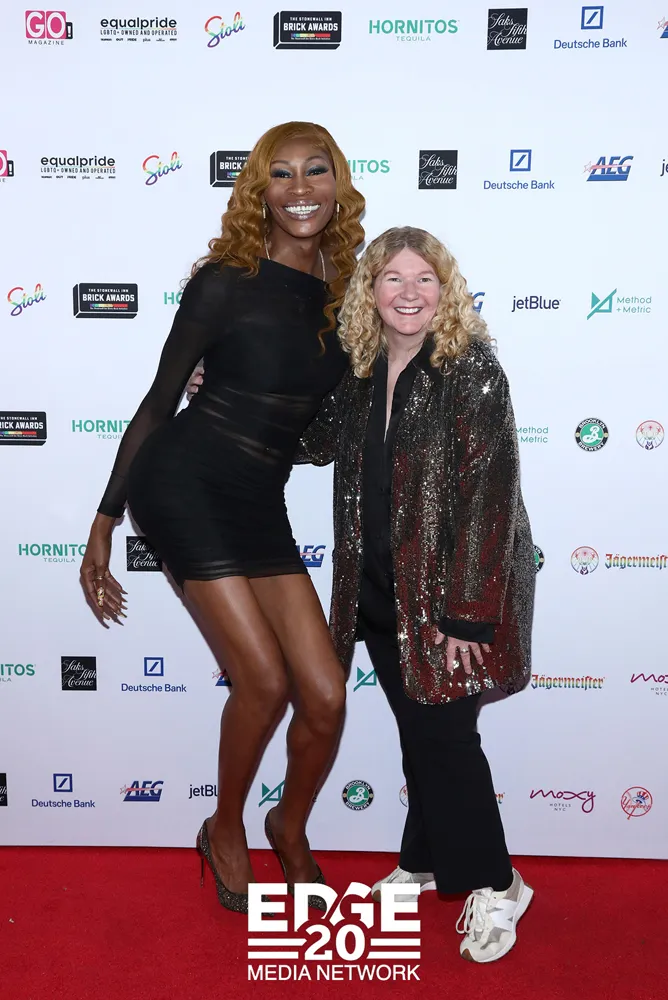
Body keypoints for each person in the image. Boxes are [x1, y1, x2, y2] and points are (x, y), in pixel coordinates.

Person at [80, 122, 365, 914]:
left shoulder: (347, 289)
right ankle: (225, 824)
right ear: (259, 192)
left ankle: (288, 824)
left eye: (316, 171)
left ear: (338, 184)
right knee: (264, 680)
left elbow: (336, 412)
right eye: (282, 174)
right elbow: (157, 401)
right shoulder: (225, 281)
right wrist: (104, 521)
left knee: (326, 695)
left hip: (260, 498)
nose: (300, 189)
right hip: (184, 483)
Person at [297, 227, 535, 963]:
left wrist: (469, 615)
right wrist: (224, 392)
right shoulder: (361, 370)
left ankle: (499, 885)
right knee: (421, 735)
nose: (408, 292)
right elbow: (312, 441)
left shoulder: (470, 370)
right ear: (370, 291)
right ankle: (424, 860)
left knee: (447, 741)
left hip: (450, 603)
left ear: (445, 289)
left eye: (424, 278)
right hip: (376, 592)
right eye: (392, 278)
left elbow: (491, 497)